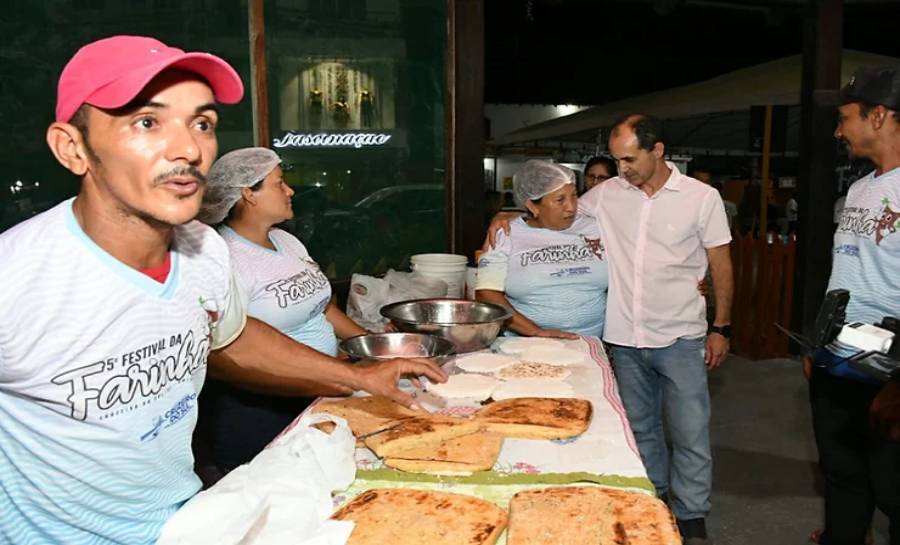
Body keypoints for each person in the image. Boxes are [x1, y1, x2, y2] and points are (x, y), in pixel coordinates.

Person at [0, 35, 445, 545]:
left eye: (202, 123)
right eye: (147, 121)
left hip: (188, 523)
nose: (189, 149)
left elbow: (234, 340)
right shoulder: (14, 279)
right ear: (72, 147)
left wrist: (358, 376)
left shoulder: (203, 251)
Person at [484, 114, 734, 544]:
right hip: (622, 336)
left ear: (658, 151)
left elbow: (721, 265)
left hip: (680, 333)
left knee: (690, 429)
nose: (623, 170)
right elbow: (546, 205)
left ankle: (691, 513)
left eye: (630, 159)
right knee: (638, 427)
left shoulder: (701, 198)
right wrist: (503, 214)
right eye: (617, 161)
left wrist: (723, 326)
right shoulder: (607, 195)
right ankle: (651, 496)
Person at [196, 147, 370, 469]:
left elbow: (321, 307)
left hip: (322, 388)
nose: (290, 191)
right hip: (263, 410)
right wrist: (342, 376)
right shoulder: (225, 259)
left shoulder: (287, 242)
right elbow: (232, 351)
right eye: (279, 183)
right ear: (248, 193)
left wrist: (373, 345)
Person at [804, 64, 900, 545]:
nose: (838, 130)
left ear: (879, 116)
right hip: (839, 363)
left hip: (891, 373)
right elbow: (846, 273)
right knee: (843, 481)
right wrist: (818, 345)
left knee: (892, 490)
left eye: (845, 117)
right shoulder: (862, 189)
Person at [476, 160, 608, 339]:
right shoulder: (506, 233)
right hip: (528, 344)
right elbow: (486, 293)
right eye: (560, 200)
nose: (571, 207)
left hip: (591, 343)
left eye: (574, 196)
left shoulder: (596, 227)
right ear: (532, 205)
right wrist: (535, 331)